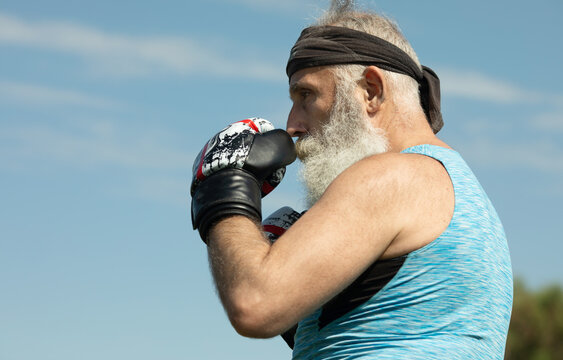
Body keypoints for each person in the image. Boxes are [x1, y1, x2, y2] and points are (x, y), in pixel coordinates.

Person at [190, 1, 513, 359]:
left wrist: (225, 186)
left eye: (306, 95)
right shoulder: (460, 192)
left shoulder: (392, 176)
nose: (292, 124)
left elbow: (254, 303)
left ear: (371, 90)